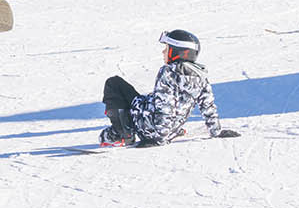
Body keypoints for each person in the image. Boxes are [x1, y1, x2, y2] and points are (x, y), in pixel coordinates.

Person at [99, 30, 237, 146]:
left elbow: (165, 106)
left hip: (152, 129)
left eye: (167, 49)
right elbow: (208, 106)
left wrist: (158, 138)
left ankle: (123, 133)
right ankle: (132, 130)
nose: (163, 52)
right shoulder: (201, 76)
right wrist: (216, 131)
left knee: (114, 83)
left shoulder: (168, 72)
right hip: (169, 129)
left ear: (176, 52)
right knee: (139, 99)